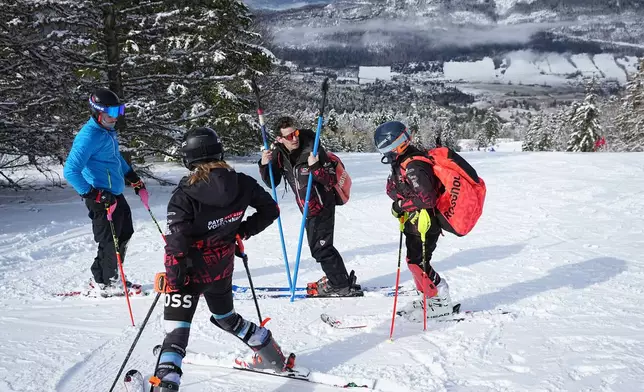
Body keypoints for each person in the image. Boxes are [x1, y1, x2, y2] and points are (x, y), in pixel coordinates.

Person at [153, 127, 285, 391]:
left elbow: (176, 242)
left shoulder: (184, 194)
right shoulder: (243, 182)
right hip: (220, 269)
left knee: (176, 336)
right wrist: (241, 230)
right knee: (226, 317)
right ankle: (271, 354)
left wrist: (173, 279)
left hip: (190, 273)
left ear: (188, 157)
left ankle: (165, 382)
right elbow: (271, 210)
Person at [258, 116, 362, 297]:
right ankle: (340, 280)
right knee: (321, 247)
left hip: (322, 205)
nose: (294, 138)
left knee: (321, 248)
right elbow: (272, 183)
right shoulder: (280, 155)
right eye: (289, 136)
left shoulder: (313, 148)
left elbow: (330, 180)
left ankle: (340, 285)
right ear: (280, 139)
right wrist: (265, 164)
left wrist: (315, 167)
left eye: (295, 133)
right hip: (306, 208)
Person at [63, 87, 145, 297]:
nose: (116, 118)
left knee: (124, 233)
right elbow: (70, 171)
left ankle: (107, 275)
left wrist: (133, 178)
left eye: (119, 112)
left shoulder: (107, 131)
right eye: (112, 114)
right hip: (101, 197)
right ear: (98, 113)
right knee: (110, 240)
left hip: (115, 194)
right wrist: (93, 194)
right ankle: (107, 282)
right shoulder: (88, 137)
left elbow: (114, 159)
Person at [373, 121, 454, 320]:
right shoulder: (401, 162)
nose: (383, 152)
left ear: (397, 143)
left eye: (385, 147)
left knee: (420, 262)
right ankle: (428, 297)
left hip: (426, 223)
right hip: (414, 220)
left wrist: (401, 206)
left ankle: (441, 298)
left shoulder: (413, 164)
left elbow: (427, 198)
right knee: (413, 262)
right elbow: (395, 191)